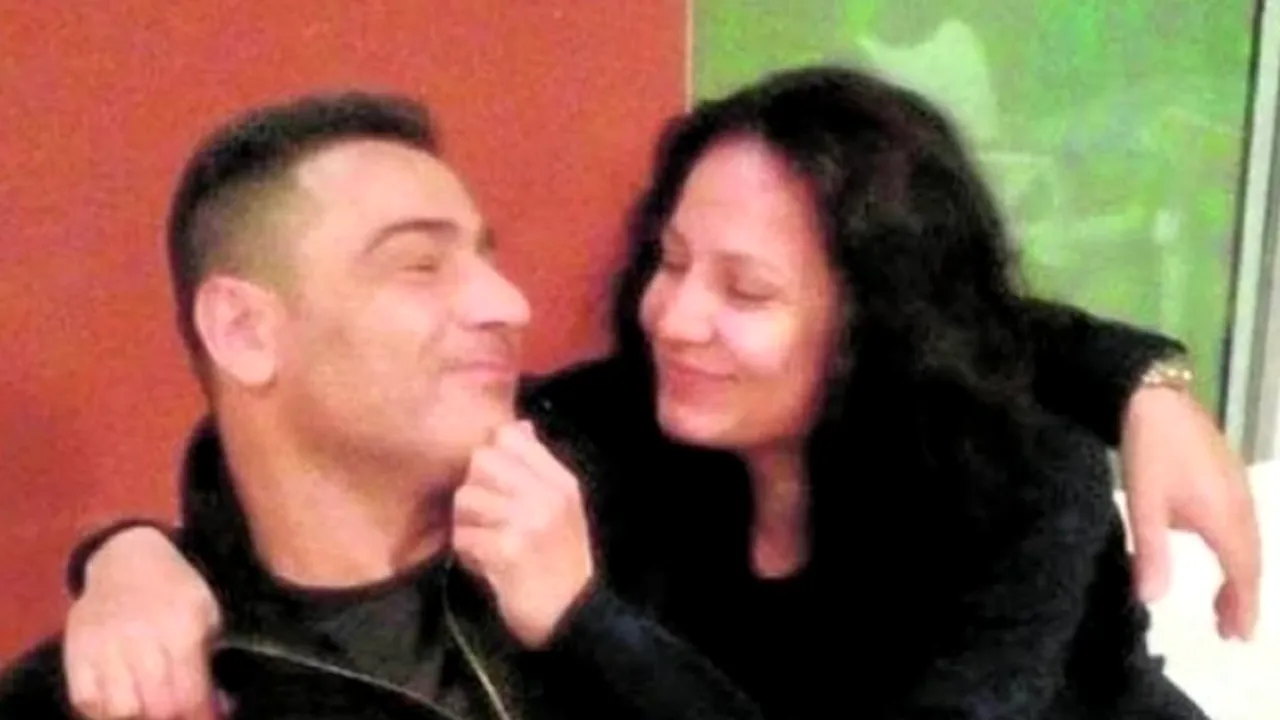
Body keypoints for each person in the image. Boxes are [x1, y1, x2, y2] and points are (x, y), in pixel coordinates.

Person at [41, 67, 1250, 719]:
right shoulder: (628, 433)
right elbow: (324, 441)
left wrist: (1138, 381)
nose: (674, 318)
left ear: (872, 323)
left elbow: (972, 329)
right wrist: (134, 558)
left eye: (745, 289)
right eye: (669, 261)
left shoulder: (1027, 489)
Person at [0, 91, 764, 720]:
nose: (508, 304)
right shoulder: (119, 691)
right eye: (419, 265)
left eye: (484, 257)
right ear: (244, 332)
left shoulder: (656, 506)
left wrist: (589, 628)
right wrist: (131, 558)